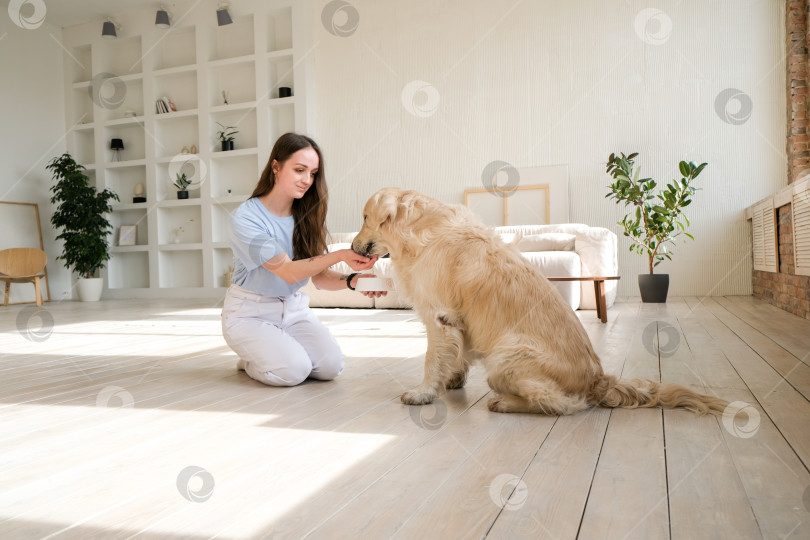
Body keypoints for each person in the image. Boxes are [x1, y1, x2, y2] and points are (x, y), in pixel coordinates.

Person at [222, 132, 385, 386]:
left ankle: (274, 351)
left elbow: (319, 278)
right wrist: (341, 254)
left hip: (294, 309)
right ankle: (251, 360)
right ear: (275, 167)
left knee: (332, 367)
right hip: (251, 314)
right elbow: (288, 271)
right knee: (294, 371)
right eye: (300, 170)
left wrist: (354, 280)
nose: (307, 180)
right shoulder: (246, 219)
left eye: (313, 173)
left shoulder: (306, 215)